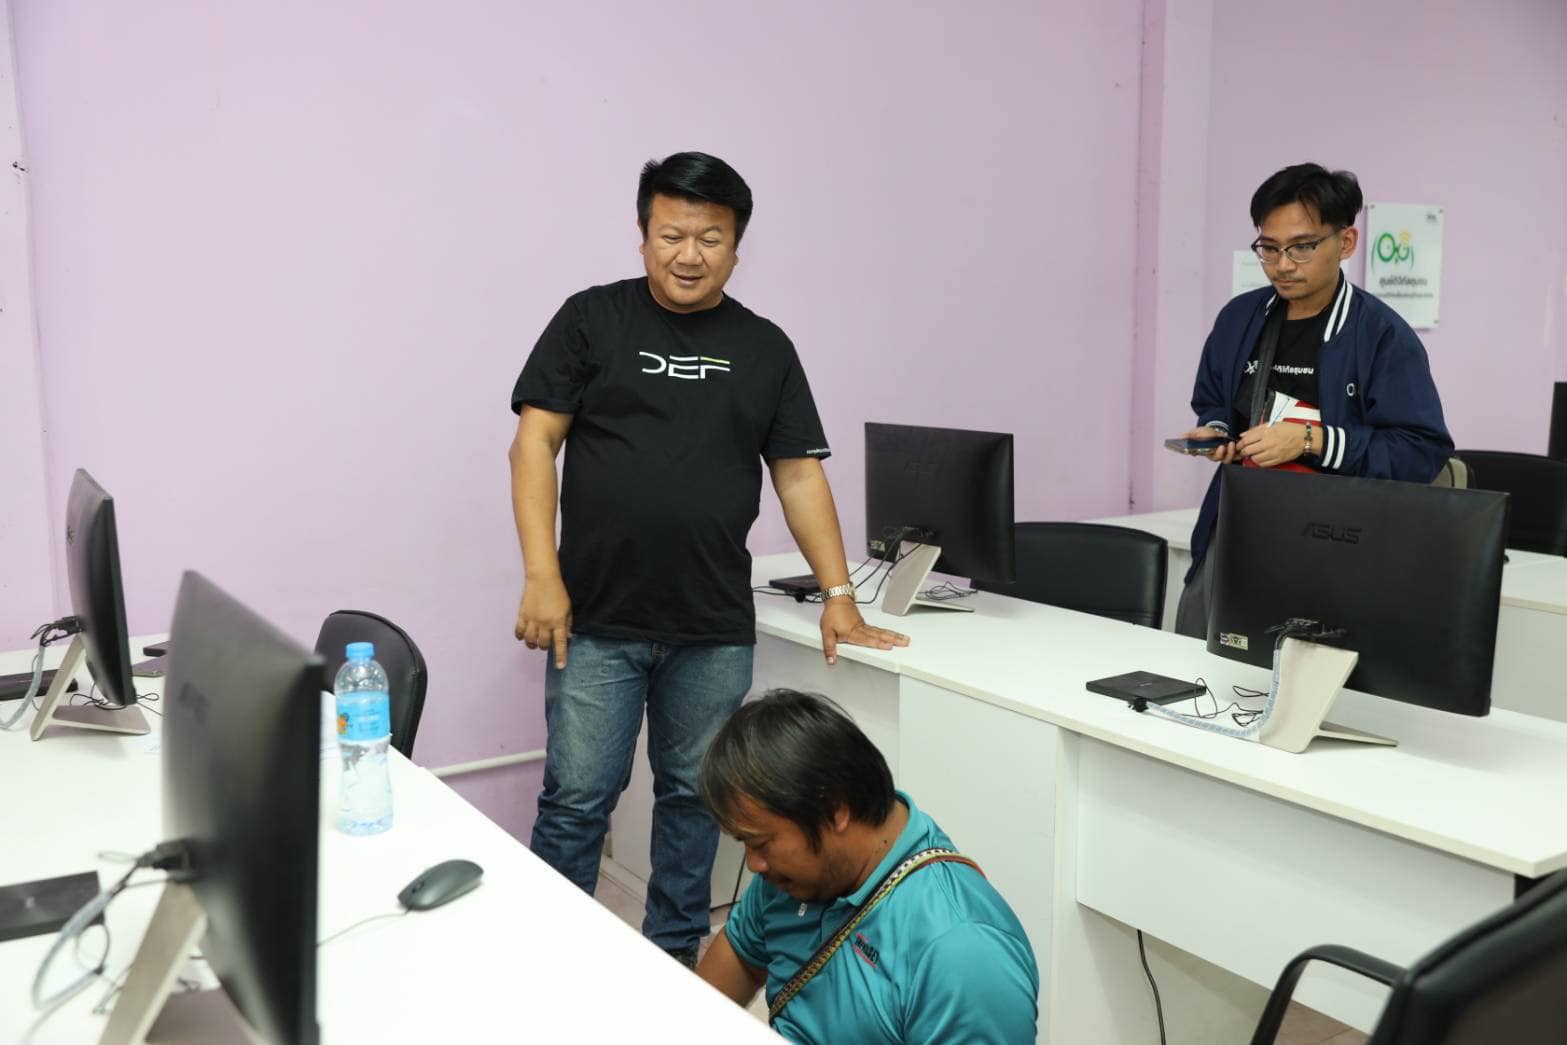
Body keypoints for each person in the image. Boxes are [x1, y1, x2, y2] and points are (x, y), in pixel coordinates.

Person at [508, 151, 910, 967]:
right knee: (578, 799)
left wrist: (839, 593)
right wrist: (542, 575)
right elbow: (533, 443)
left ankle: (672, 963)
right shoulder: (591, 319)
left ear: (736, 245)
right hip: (596, 616)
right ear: (642, 235)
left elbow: (797, 474)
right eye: (671, 235)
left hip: (711, 624)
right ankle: (547, 961)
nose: (688, 255)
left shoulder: (763, 347)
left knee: (698, 802)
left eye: (710, 238)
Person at [1173, 163, 1453, 637]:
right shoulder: (1240, 318)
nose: (1282, 264)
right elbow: (1216, 400)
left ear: (1346, 242)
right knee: (1205, 652)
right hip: (1241, 524)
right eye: (1269, 248)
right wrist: (1217, 432)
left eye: (1302, 247)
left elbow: (1421, 450)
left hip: (1339, 541)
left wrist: (1311, 440)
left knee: (1317, 668)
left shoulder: (1381, 336)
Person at [696, 689, 1038, 1044]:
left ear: (834, 811)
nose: (754, 864)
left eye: (761, 843)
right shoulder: (794, 874)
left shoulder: (962, 953)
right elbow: (741, 953)